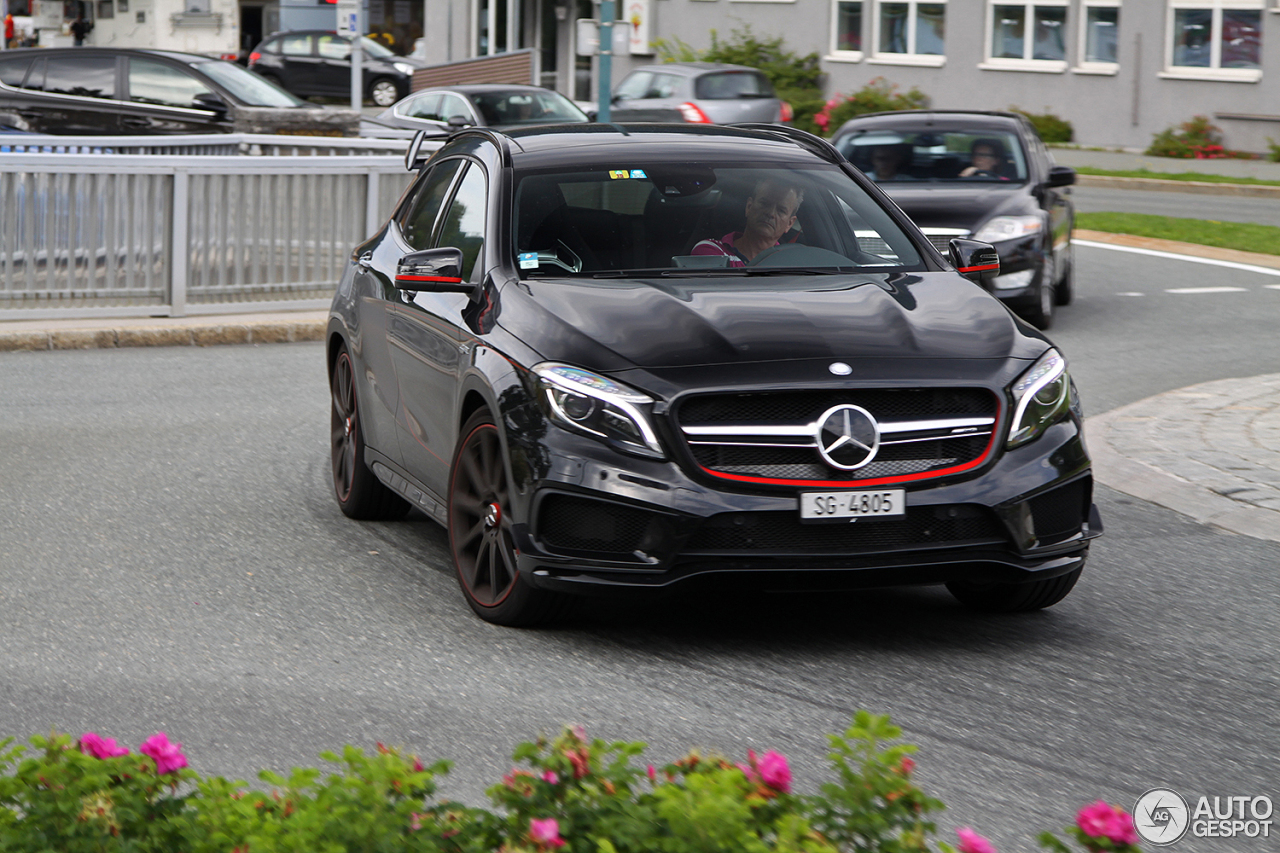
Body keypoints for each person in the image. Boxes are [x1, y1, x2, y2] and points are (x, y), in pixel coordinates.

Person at [690, 178, 803, 267]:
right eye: (765, 204)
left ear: (790, 223)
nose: (771, 214)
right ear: (749, 207)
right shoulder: (711, 251)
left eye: (781, 210)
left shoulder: (792, 263)